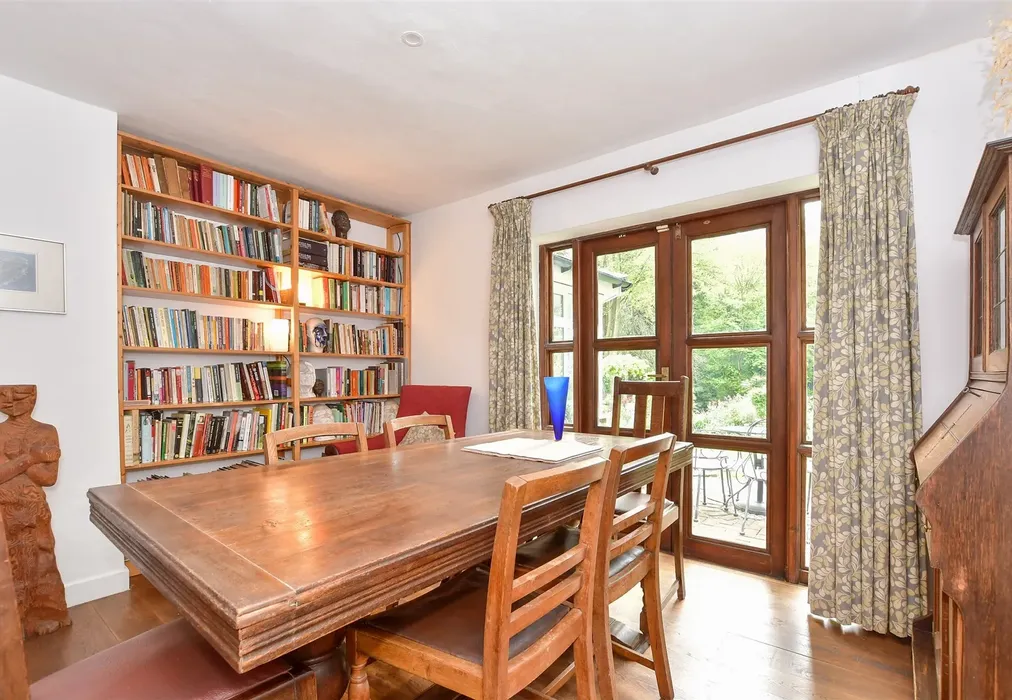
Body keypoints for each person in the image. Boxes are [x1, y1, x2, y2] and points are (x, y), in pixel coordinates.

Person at [0, 385, 69, 637]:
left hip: (34, 508)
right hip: (6, 509)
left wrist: (16, 459)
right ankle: (15, 619)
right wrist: (30, 457)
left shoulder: (46, 431)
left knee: (42, 562)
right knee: (11, 566)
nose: (9, 400)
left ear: (33, 396)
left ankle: (45, 611)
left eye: (17, 394)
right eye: (2, 394)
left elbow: (48, 478)